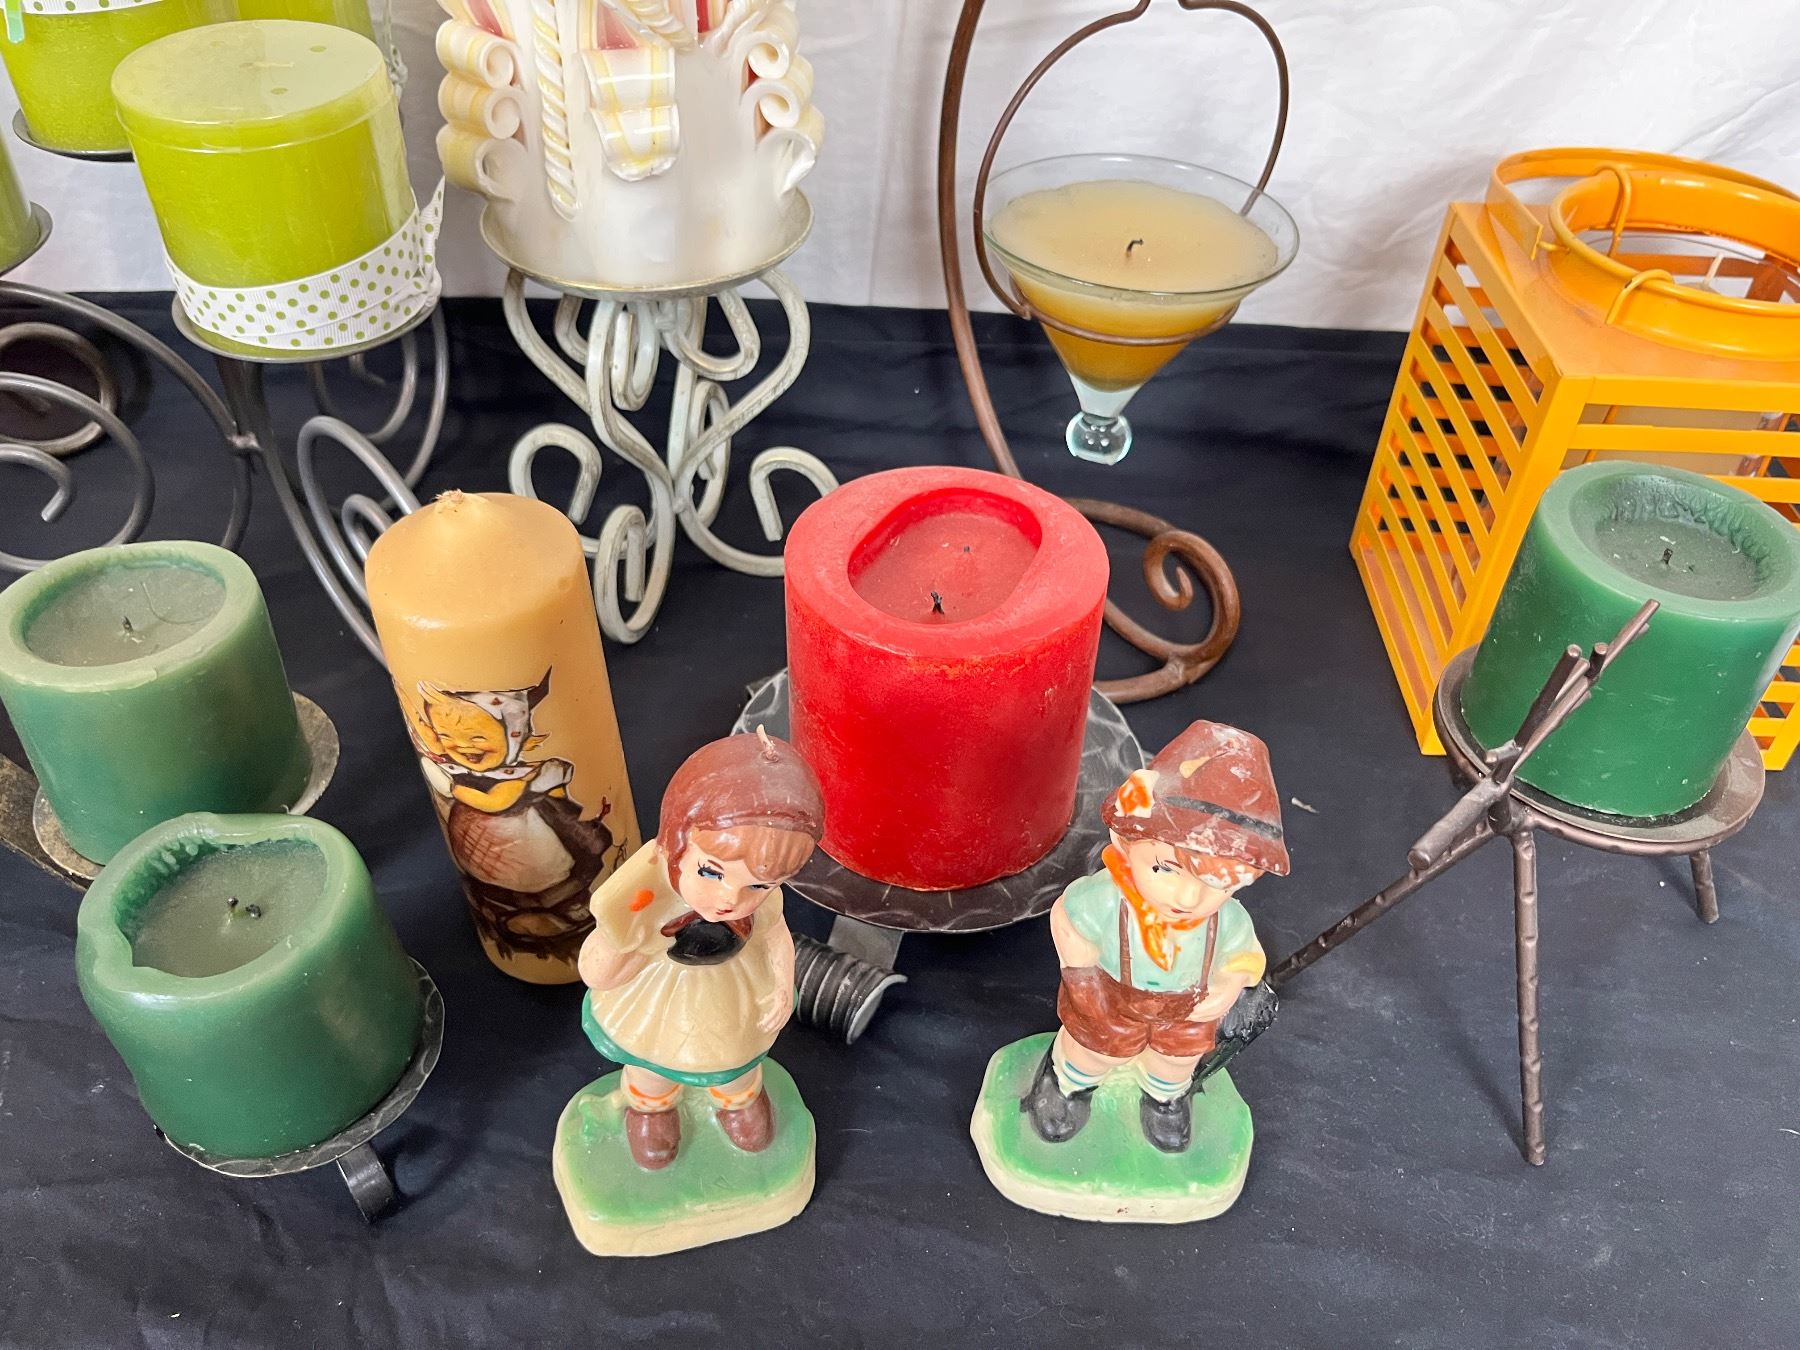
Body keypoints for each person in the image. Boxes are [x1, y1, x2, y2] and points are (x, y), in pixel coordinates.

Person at [1022, 720, 1289, 1153]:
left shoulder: (1227, 921)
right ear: (1127, 843)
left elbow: (1246, 957)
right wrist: (1082, 976)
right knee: (1092, 1051)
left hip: (1186, 1009)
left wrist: (1226, 987)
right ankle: (1068, 1086)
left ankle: (1164, 1099)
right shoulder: (1105, 900)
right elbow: (1068, 919)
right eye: (1165, 868)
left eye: (1216, 883)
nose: (1188, 896)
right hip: (1112, 997)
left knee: (1174, 1062)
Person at [577, 728, 824, 1170]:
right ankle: (651, 1109)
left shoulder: (759, 907)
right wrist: (623, 939)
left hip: (730, 999)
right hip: (660, 998)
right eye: (711, 872)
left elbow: (775, 934)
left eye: (759, 885)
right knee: (649, 1066)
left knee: (736, 1061)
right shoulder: (648, 899)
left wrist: (782, 986)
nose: (731, 899)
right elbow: (598, 969)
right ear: (675, 847)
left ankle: (738, 1101)